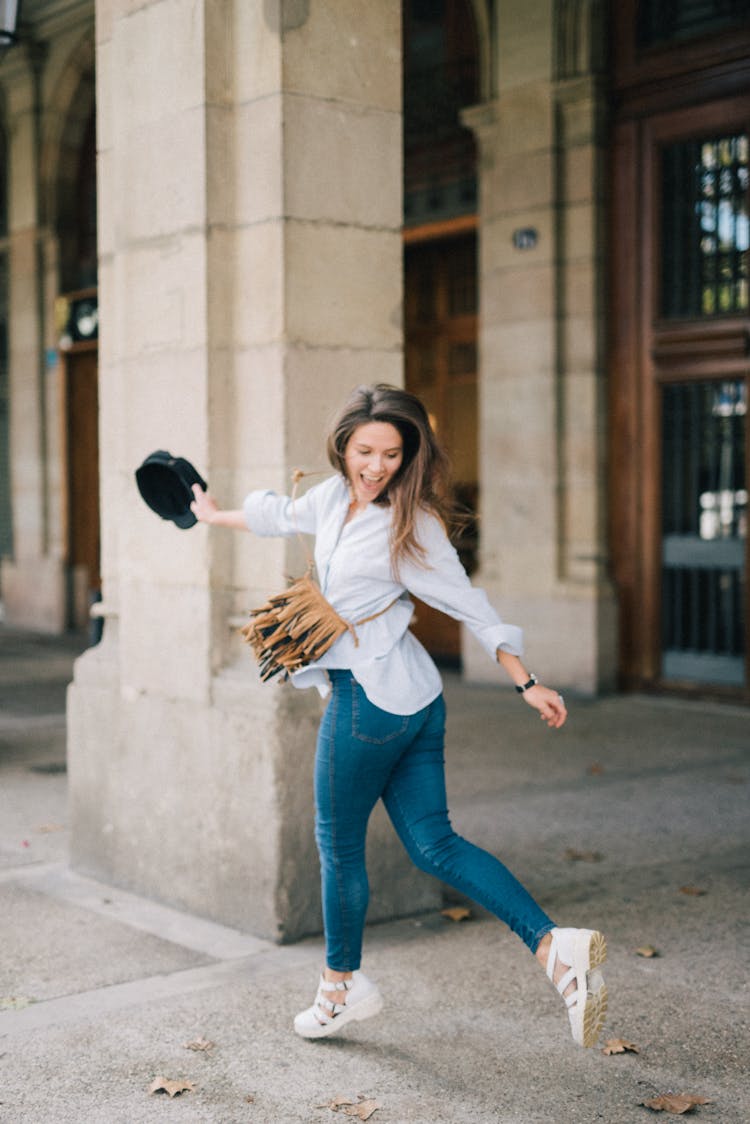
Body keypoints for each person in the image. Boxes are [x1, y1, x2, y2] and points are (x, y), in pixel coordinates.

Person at [189, 383, 607, 1048]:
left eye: (391, 453)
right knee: (435, 844)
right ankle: (557, 949)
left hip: (368, 705)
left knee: (338, 848)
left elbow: (472, 604)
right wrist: (214, 516)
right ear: (343, 446)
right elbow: (280, 513)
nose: (377, 465)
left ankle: (339, 989)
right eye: (365, 451)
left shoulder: (412, 526)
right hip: (414, 699)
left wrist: (525, 680)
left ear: (409, 455)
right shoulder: (331, 498)